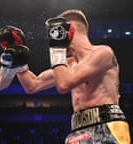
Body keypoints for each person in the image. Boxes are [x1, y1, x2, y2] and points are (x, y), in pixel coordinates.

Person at [14, 9, 131, 143]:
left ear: (69, 31)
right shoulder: (68, 65)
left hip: (107, 126)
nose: (53, 37)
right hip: (78, 131)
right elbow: (32, 85)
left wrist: (57, 47)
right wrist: (16, 54)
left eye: (57, 32)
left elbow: (64, 84)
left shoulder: (103, 53)